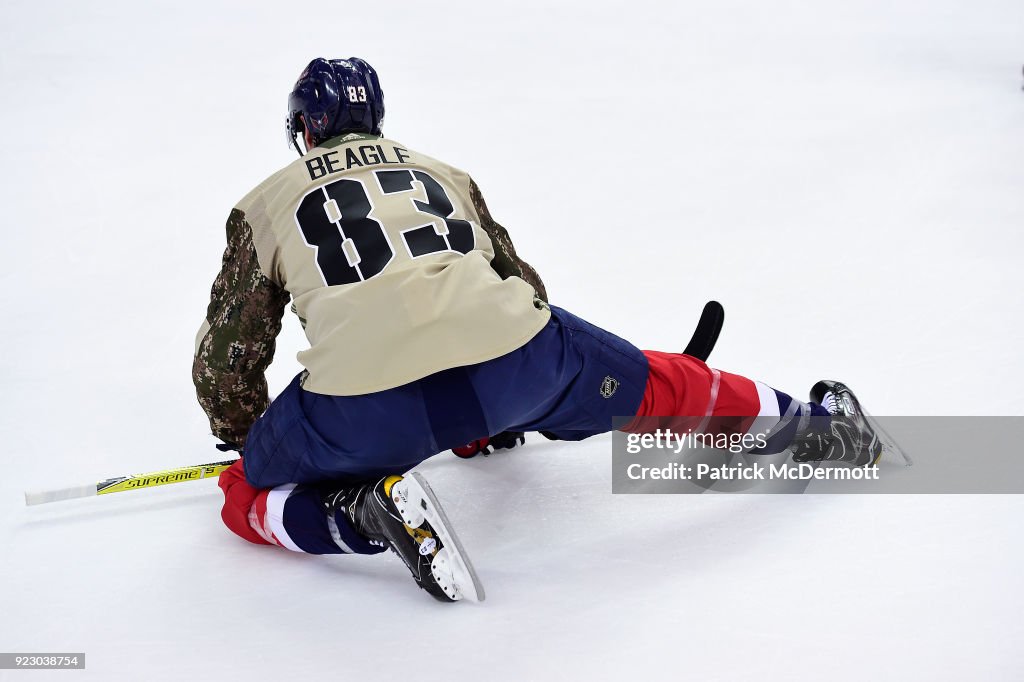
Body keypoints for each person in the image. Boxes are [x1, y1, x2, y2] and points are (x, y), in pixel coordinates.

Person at [193, 57, 886, 603]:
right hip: (518, 362)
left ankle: (363, 515)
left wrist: (253, 438)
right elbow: (520, 287)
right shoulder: (443, 173)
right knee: (659, 382)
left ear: (304, 129)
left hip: (365, 410)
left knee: (244, 494)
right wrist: (500, 408)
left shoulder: (265, 203)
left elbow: (225, 363)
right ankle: (821, 431)